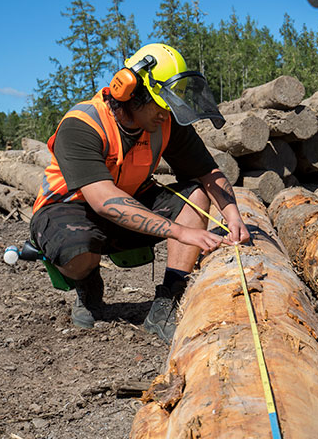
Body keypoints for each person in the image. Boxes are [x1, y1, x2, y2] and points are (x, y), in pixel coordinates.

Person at [30, 43, 250, 344]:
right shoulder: (82, 125)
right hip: (67, 209)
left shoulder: (165, 122)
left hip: (129, 201)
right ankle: (86, 280)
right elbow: (104, 200)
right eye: (160, 103)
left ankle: (168, 302)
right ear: (131, 92)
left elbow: (207, 172)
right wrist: (182, 233)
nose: (166, 113)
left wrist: (232, 213)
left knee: (197, 193)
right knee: (78, 252)